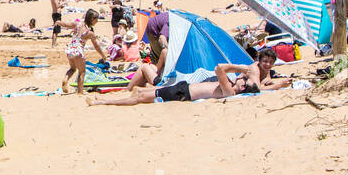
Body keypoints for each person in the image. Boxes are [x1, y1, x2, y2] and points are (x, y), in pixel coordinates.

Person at [86, 62, 259, 107]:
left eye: (244, 79)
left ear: (243, 87)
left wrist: (241, 68)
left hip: (181, 93)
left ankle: (102, 102)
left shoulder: (229, 90)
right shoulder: (229, 87)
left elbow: (220, 68)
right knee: (146, 91)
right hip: (183, 89)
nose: (241, 77)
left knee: (139, 97)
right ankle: (104, 99)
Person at [62, 8, 108, 95]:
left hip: (70, 49)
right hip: (78, 51)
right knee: (82, 72)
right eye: (96, 19)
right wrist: (103, 56)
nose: (97, 21)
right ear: (92, 19)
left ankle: (65, 79)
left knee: (72, 69)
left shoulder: (78, 25)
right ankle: (80, 92)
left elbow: (68, 25)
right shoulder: (90, 33)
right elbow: (97, 46)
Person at [145, 8, 170, 78]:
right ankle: (156, 75)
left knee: (160, 57)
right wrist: (168, 52)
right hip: (153, 31)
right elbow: (161, 39)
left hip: (153, 27)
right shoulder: (170, 22)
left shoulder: (173, 18)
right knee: (162, 56)